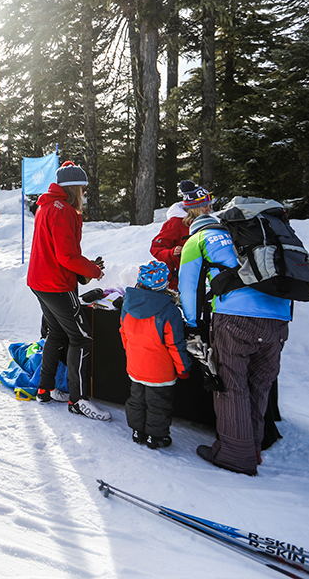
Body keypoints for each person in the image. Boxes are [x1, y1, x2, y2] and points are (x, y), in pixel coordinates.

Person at [179, 210, 292, 476]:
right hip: (278, 320)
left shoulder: (198, 240)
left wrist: (193, 324)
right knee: (259, 385)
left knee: (231, 385)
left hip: (235, 320)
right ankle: (253, 448)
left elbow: (189, 285)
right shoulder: (249, 238)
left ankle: (235, 456)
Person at [26, 161, 110, 421]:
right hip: (57, 285)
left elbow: (59, 252)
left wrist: (84, 268)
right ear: (75, 188)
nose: (85, 193)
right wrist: (93, 271)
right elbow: (66, 256)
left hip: (40, 281)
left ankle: (45, 389)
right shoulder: (62, 210)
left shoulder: (48, 205)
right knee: (81, 338)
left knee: (56, 334)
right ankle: (79, 400)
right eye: (83, 188)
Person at [120, 261, 191, 449]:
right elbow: (175, 344)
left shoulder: (128, 304)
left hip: (135, 367)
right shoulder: (170, 311)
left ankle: (137, 432)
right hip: (160, 372)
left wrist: (132, 353)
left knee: (137, 401)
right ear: (164, 284)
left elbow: (124, 333)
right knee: (158, 405)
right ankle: (156, 437)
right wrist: (183, 368)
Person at [150, 180, 213, 290]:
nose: (209, 210)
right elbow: (156, 248)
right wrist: (171, 253)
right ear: (195, 208)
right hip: (177, 281)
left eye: (209, 205)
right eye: (205, 207)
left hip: (197, 277)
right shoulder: (175, 224)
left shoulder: (205, 222)